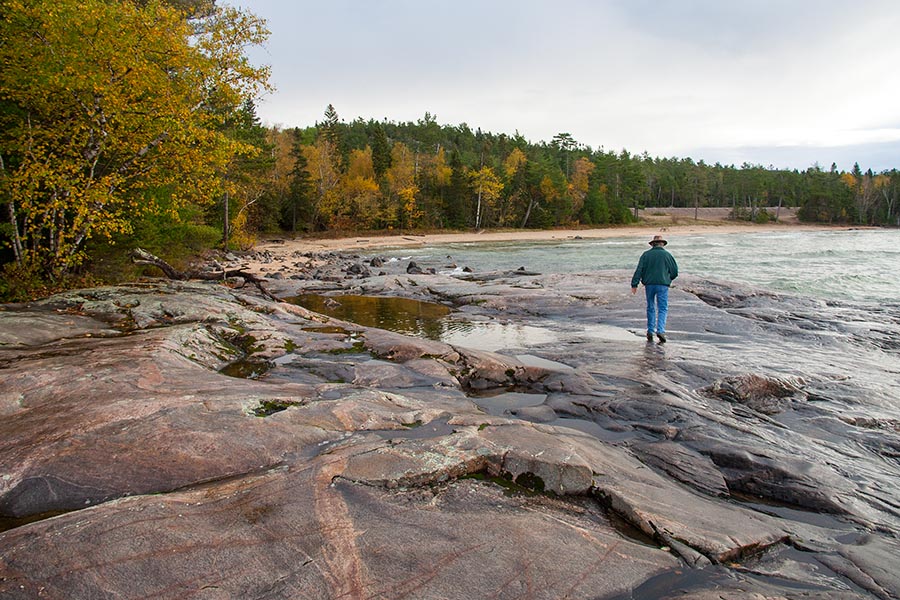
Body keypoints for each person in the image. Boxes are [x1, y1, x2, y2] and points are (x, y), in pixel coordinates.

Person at [631, 234, 678, 343]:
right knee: (662, 308)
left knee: (650, 306)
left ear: (653, 244)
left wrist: (634, 284)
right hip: (663, 285)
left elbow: (639, 270)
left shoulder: (646, 255)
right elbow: (674, 272)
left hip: (649, 285)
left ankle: (650, 330)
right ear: (662, 244)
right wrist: (668, 278)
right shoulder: (667, 255)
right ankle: (660, 330)